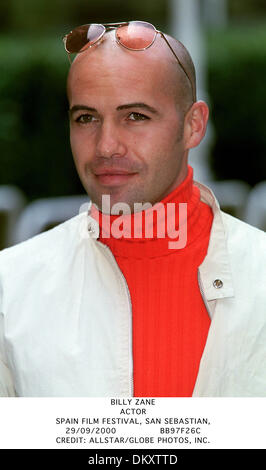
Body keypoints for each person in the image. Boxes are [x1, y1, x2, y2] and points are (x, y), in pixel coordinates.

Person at [0, 21, 265, 397]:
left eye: (135, 116)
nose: (106, 145)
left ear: (193, 125)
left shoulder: (260, 276)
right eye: (86, 118)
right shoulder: (10, 288)